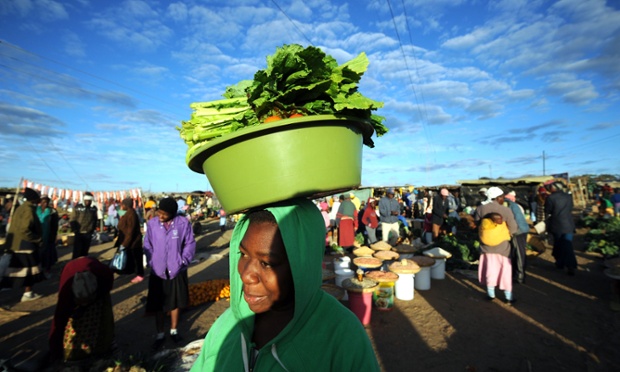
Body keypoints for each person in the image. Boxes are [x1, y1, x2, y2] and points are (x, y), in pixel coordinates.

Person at [190, 198, 380, 371]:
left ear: (303, 267)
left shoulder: (343, 337)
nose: (247, 275)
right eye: (243, 254)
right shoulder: (226, 326)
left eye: (267, 263)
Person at [143, 197, 196, 350]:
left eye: (164, 214)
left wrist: (183, 261)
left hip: (176, 269)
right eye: (159, 212)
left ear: (172, 213)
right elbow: (148, 243)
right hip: (157, 270)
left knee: (175, 302)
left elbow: (190, 243)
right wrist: (151, 260)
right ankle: (160, 334)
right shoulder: (152, 224)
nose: (160, 216)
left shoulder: (183, 223)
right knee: (158, 304)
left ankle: (174, 331)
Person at [48, 256, 115, 364]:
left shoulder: (104, 275)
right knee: (73, 321)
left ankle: (101, 345)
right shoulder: (67, 289)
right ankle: (77, 351)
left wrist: (88, 305)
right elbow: (59, 320)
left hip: (98, 291)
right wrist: (55, 351)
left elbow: (107, 288)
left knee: (102, 314)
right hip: (79, 287)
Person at [474, 187, 518, 304]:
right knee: (505, 271)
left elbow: (477, 223)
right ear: (497, 198)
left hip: (486, 247)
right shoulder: (505, 210)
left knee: (490, 270)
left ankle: (490, 294)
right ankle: (508, 297)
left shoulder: (480, 208)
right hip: (503, 248)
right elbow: (513, 229)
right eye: (502, 197)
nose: (503, 199)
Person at [1, 188, 44, 301]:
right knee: (29, 270)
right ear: (34, 199)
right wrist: (36, 239)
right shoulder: (29, 210)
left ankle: (7, 286)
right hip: (26, 244)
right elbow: (24, 229)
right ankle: (28, 293)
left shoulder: (21, 208)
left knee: (16, 268)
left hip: (16, 243)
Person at [545, 182, 577, 276]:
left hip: (557, 225)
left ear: (554, 188)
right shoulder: (568, 196)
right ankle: (568, 264)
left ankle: (563, 264)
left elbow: (547, 210)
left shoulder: (550, 198)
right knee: (568, 244)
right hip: (568, 224)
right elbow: (571, 208)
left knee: (559, 244)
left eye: (551, 187)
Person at [114, 198, 144, 283]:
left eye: (122, 205)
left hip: (133, 242)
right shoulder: (127, 213)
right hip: (128, 241)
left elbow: (130, 230)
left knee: (137, 258)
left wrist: (125, 243)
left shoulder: (131, 214)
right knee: (129, 257)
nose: (121, 206)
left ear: (125, 205)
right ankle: (129, 271)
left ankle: (140, 274)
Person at [505, 191, 530, 283]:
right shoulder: (514, 205)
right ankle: (517, 273)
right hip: (520, 229)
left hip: (518, 231)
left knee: (519, 253)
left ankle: (520, 275)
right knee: (517, 252)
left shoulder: (509, 205)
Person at [69, 192, 98, 259]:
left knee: (85, 251)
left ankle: (83, 266)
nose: (88, 202)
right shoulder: (77, 208)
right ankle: (75, 265)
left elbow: (95, 219)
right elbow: (72, 219)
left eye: (89, 201)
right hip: (79, 232)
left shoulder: (93, 209)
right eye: (86, 200)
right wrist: (75, 230)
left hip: (88, 233)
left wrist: (92, 229)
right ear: (84, 200)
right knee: (77, 251)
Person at [37, 196, 59, 278]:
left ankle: (47, 270)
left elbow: (55, 225)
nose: (45, 204)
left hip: (49, 236)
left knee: (48, 254)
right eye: (43, 202)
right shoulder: (36, 210)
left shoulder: (52, 212)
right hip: (38, 236)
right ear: (40, 202)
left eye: (46, 202)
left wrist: (54, 236)